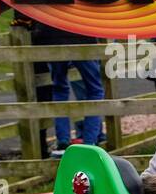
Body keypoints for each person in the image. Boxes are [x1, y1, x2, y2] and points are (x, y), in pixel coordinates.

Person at [30, 19, 106, 155]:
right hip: (82, 35)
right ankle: (90, 141)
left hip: (53, 37)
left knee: (59, 89)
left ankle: (63, 140)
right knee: (95, 90)